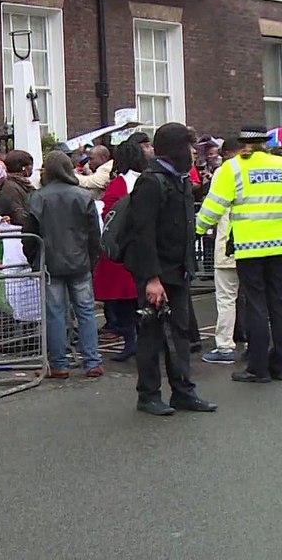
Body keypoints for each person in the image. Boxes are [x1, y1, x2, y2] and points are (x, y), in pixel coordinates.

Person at [197, 125, 282, 385]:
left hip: (250, 246)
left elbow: (213, 206)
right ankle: (280, 364)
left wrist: (197, 229)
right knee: (278, 302)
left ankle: (258, 367)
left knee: (256, 305)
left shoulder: (232, 169)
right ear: (265, 143)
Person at [123, 123, 217, 416]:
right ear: (176, 148)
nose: (193, 153)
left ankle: (183, 391)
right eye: (189, 147)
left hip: (179, 271)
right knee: (151, 336)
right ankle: (148, 395)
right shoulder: (151, 182)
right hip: (158, 273)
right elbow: (143, 233)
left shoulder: (180, 179)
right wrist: (151, 278)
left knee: (179, 334)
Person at [28, 151, 102, 379]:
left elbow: (29, 234)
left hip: (50, 262)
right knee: (86, 311)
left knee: (55, 314)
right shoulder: (83, 195)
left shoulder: (38, 197)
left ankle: (59, 364)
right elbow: (93, 234)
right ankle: (92, 361)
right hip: (79, 260)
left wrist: (33, 260)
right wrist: (92, 259)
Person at [94, 140, 148, 361]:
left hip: (126, 249)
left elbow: (110, 215)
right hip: (149, 246)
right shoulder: (150, 179)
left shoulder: (119, 184)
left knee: (126, 301)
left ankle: (131, 343)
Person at [202, 138, 242, 364]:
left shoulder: (224, 172)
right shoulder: (267, 168)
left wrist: (197, 229)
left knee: (226, 298)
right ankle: (260, 344)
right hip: (261, 245)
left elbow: (213, 209)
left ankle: (225, 346)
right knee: (259, 298)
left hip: (229, 243)